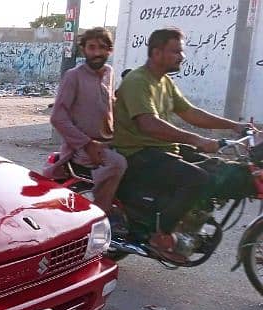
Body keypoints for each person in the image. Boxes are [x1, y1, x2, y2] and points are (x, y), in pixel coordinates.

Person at [112, 27, 257, 261]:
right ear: (157, 53)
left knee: (216, 169)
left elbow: (190, 112)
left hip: (161, 150)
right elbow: (149, 124)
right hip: (138, 153)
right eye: (176, 51)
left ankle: (189, 222)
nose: (182, 56)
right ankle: (161, 237)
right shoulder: (138, 81)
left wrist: (234, 126)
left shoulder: (164, 81)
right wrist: (197, 140)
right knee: (196, 178)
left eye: (181, 51)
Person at [47, 27, 127, 214]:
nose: (97, 52)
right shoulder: (73, 76)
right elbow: (58, 117)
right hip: (82, 148)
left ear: (110, 50)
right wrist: (87, 144)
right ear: (83, 49)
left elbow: (110, 104)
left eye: (102, 47)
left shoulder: (109, 72)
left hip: (108, 141)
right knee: (118, 163)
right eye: (91, 47)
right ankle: (100, 216)